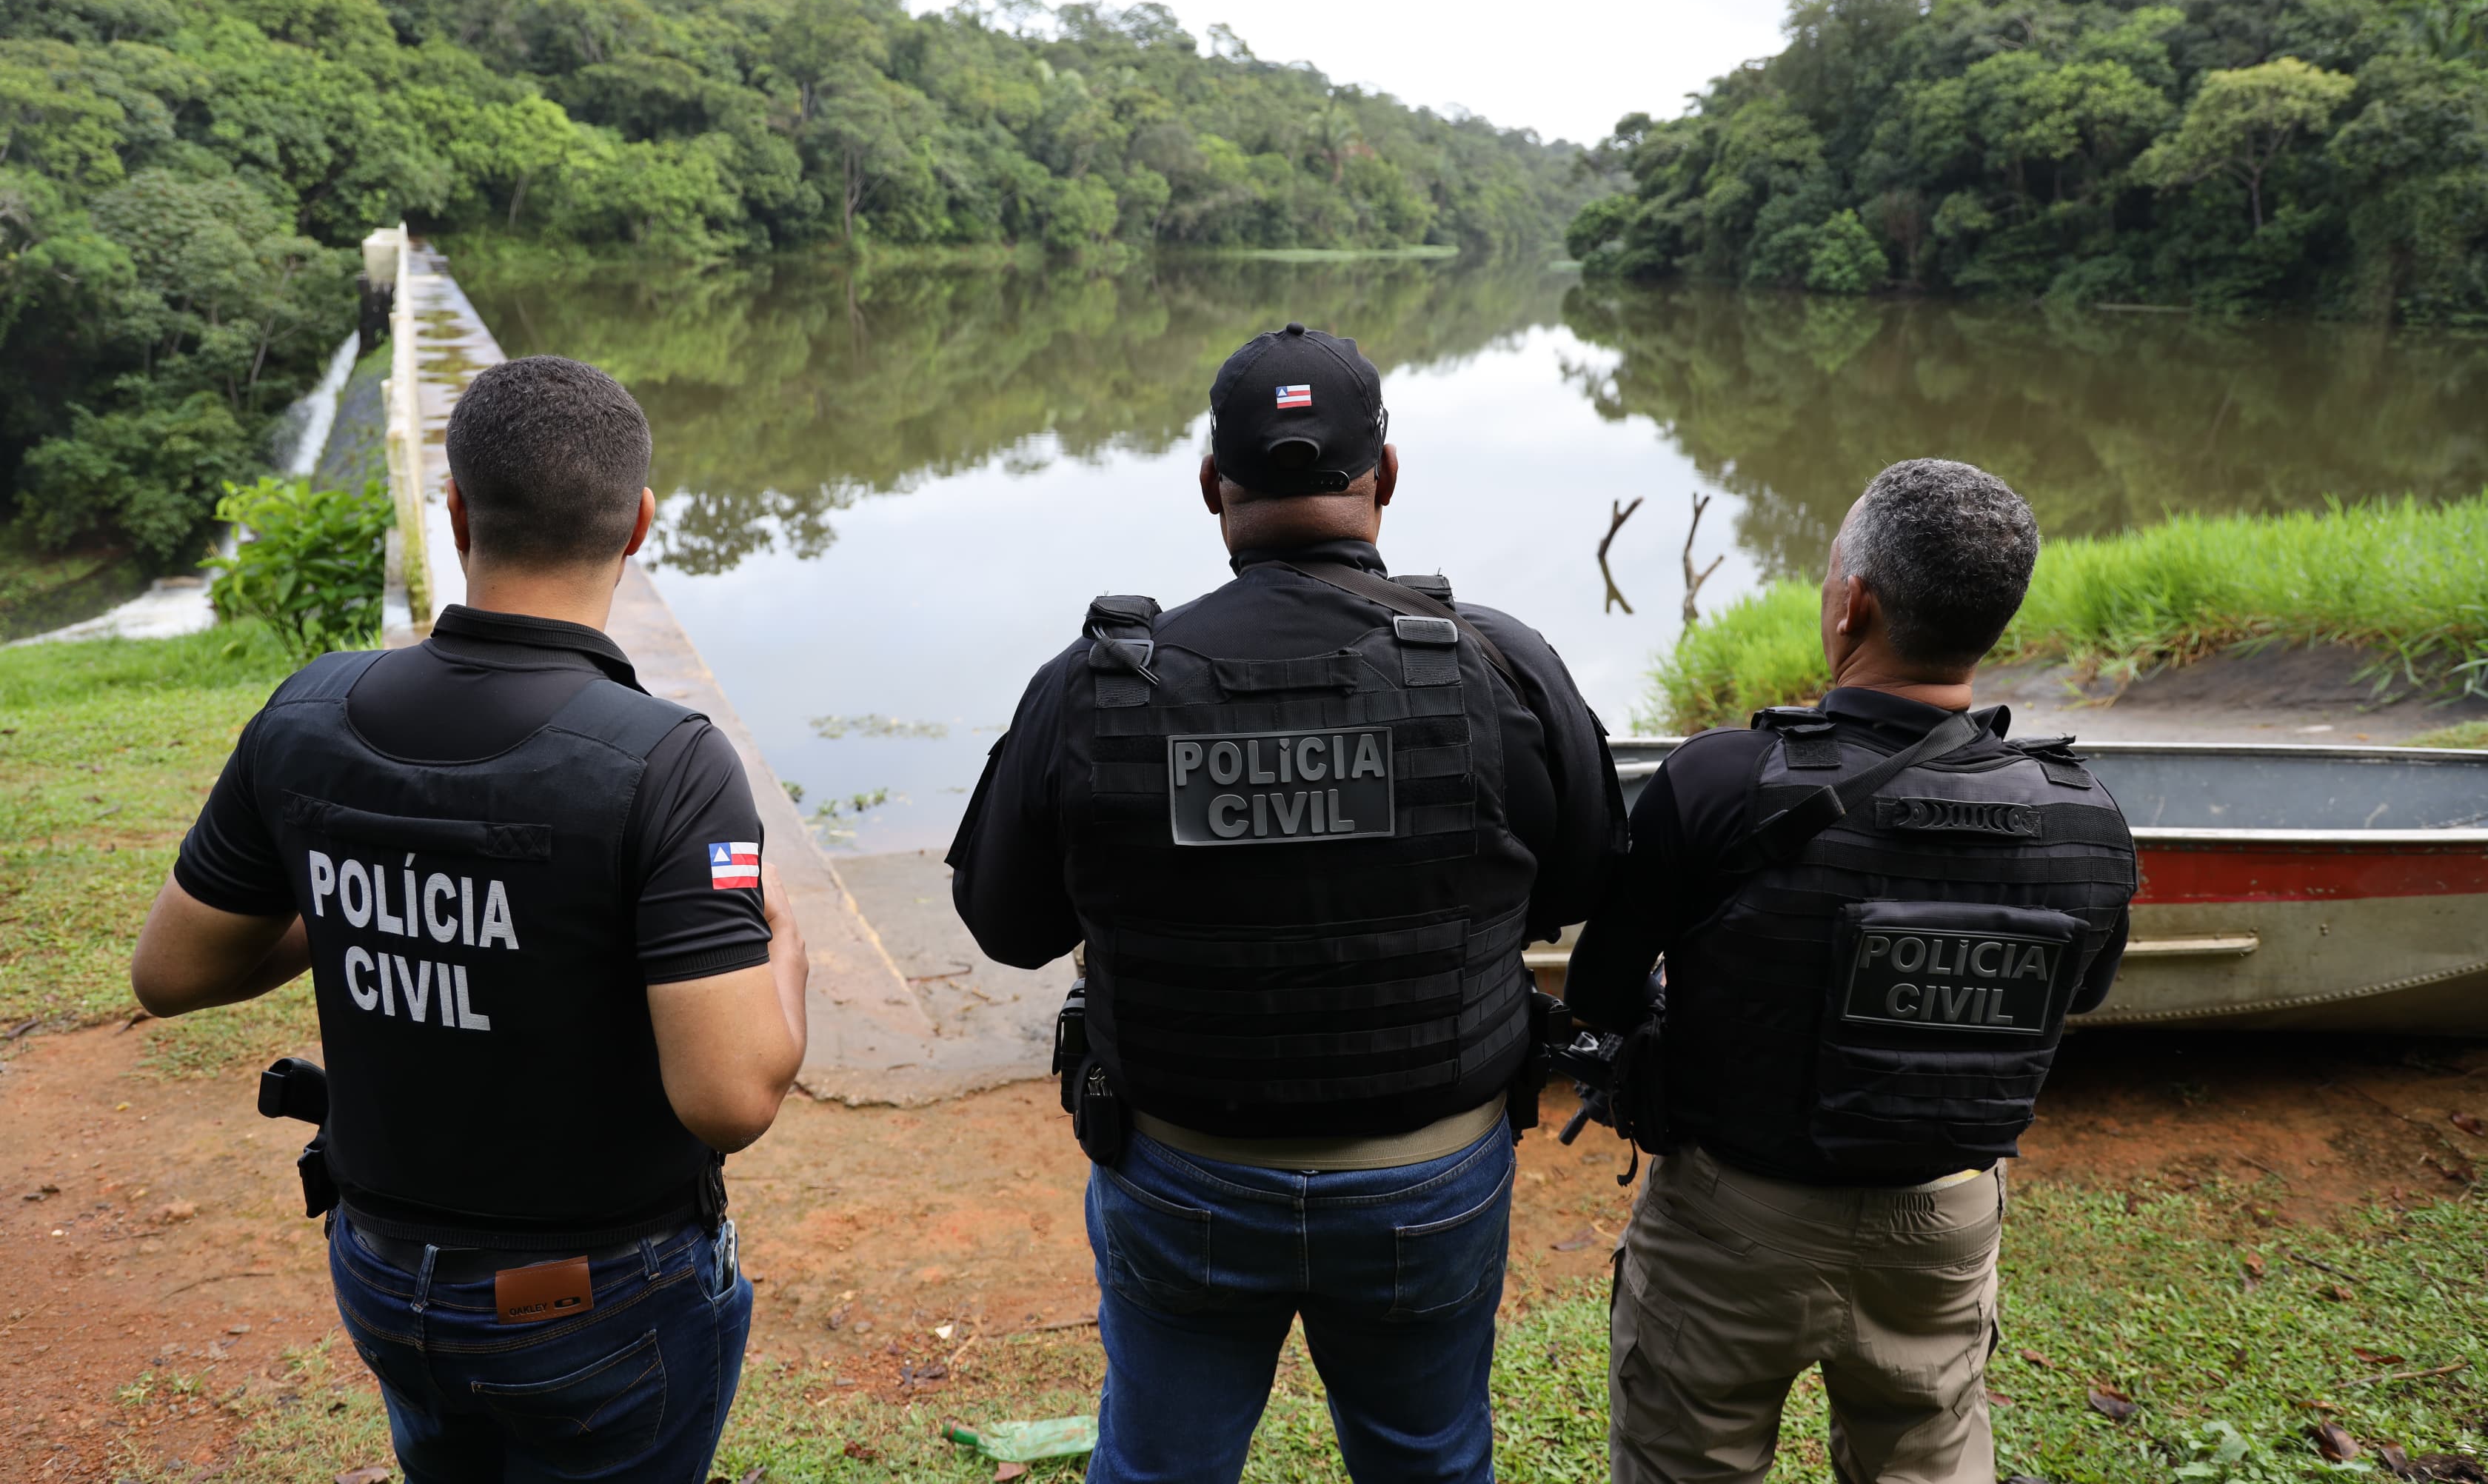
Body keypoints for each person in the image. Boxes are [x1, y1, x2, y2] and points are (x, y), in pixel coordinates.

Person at [949, 321, 1625, 1484]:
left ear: (1213, 483)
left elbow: (1008, 926)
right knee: (1430, 1463)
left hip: (1181, 1172)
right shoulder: (1497, 664)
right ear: (1385, 476)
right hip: (1430, 1174)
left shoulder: (1093, 684)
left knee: (1159, 1468)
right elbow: (1581, 884)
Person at [130, 356, 810, 1484]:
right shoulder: (669, 765)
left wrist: (355, 885)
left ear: (456, 512)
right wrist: (784, 950)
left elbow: (171, 971)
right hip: (594, 1296)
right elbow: (731, 1097)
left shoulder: (307, 714)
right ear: (639, 525)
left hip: (380, 1267)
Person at [1568, 458, 2137, 1484]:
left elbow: (1599, 995)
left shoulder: (1718, 782)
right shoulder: (2085, 819)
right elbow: (2074, 996)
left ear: (1852, 604)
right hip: (1944, 1224)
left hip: (1733, 1216)